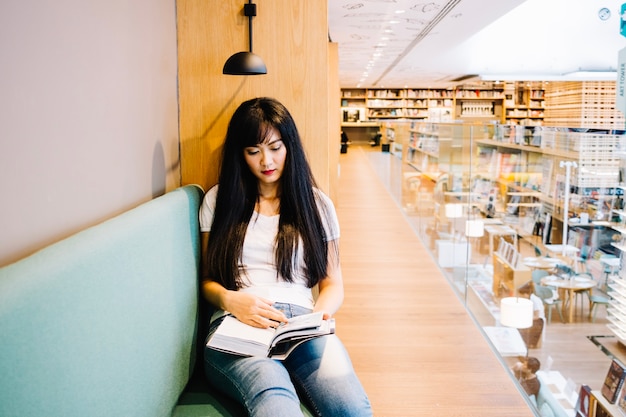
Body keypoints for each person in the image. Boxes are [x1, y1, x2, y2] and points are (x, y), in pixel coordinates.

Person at [199, 97, 372, 417]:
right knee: (277, 403)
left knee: (350, 409)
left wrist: (318, 318)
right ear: (241, 155)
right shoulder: (218, 200)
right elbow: (207, 280)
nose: (267, 160)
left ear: (290, 145)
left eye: (276, 147)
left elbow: (333, 284)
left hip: (302, 325)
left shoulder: (317, 204)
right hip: (236, 323)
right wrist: (230, 300)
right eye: (254, 151)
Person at [517, 281, 545, 349]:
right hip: (533, 318)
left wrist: (525, 319)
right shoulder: (530, 299)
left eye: (523, 295)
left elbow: (537, 316)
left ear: (526, 294)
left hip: (538, 321)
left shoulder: (534, 300)